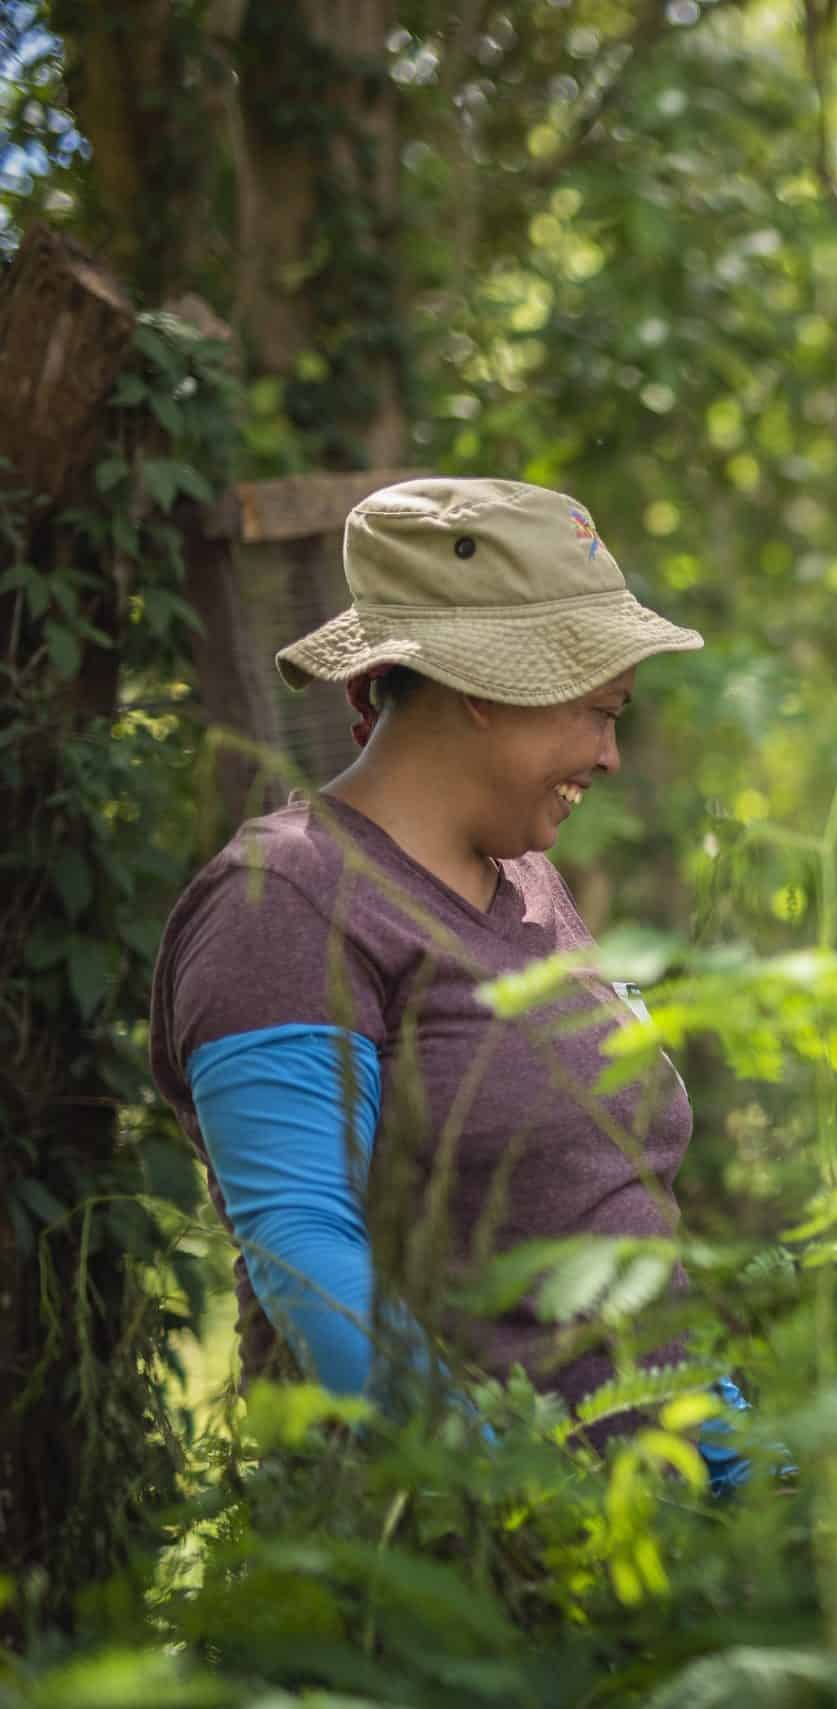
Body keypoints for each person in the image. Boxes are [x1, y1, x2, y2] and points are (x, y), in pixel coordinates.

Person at [150, 477, 751, 1478]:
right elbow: (303, 1246)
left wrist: (730, 1446)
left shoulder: (526, 875)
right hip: (451, 1572)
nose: (608, 755)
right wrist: (508, 1506)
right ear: (484, 685)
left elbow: (608, 1202)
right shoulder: (286, 902)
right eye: (599, 712)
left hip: (659, 1533)